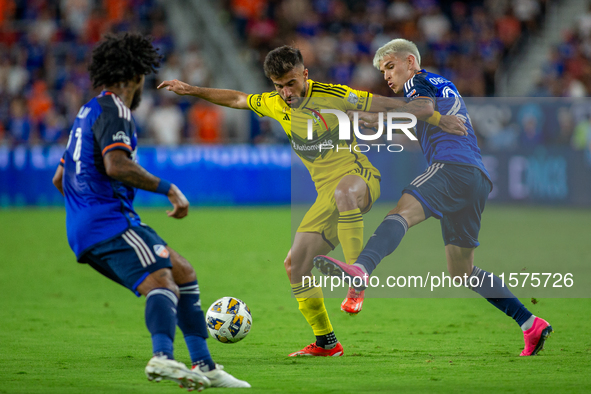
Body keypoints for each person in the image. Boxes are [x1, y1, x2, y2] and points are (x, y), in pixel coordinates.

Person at [158, 45, 467, 356]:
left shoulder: (334, 94)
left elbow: (388, 104)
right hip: (326, 198)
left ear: (304, 74)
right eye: (278, 86)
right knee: (295, 265)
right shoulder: (273, 102)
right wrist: (192, 90)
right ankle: (326, 342)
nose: (285, 92)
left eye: (291, 83)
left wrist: (438, 118)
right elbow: (238, 98)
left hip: (359, 178)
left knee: (343, 192)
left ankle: (358, 274)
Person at [314, 38, 553, 357]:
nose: (387, 76)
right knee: (462, 271)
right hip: (476, 178)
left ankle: (362, 268)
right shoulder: (441, 85)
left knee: (399, 213)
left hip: (452, 168)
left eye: (390, 66)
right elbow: (418, 120)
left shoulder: (417, 82)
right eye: (383, 71)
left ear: (410, 62)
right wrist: (376, 122)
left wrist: (377, 119)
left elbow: (421, 110)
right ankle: (530, 324)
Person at [51, 33, 250, 389]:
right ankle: (162, 359)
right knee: (163, 285)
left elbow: (59, 178)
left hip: (87, 224)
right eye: (142, 75)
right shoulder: (116, 109)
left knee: (183, 272)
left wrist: (85, 208)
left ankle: (204, 366)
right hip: (109, 222)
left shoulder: (89, 110)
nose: (143, 84)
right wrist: (169, 189)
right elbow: (116, 165)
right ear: (132, 76)